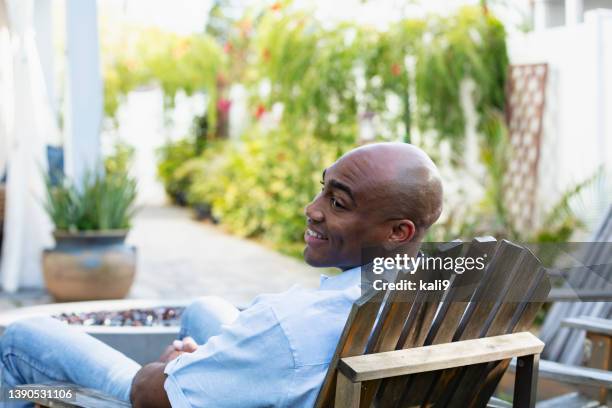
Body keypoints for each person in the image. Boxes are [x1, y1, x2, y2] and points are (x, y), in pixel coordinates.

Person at [0, 142, 443, 408]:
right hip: (310, 379)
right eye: (322, 190)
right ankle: (211, 367)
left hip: (194, 390)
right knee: (205, 310)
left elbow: (151, 396)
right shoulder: (445, 293)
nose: (312, 209)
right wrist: (217, 361)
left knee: (22, 339)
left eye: (338, 203)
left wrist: (176, 368)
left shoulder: (289, 325)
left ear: (398, 232)